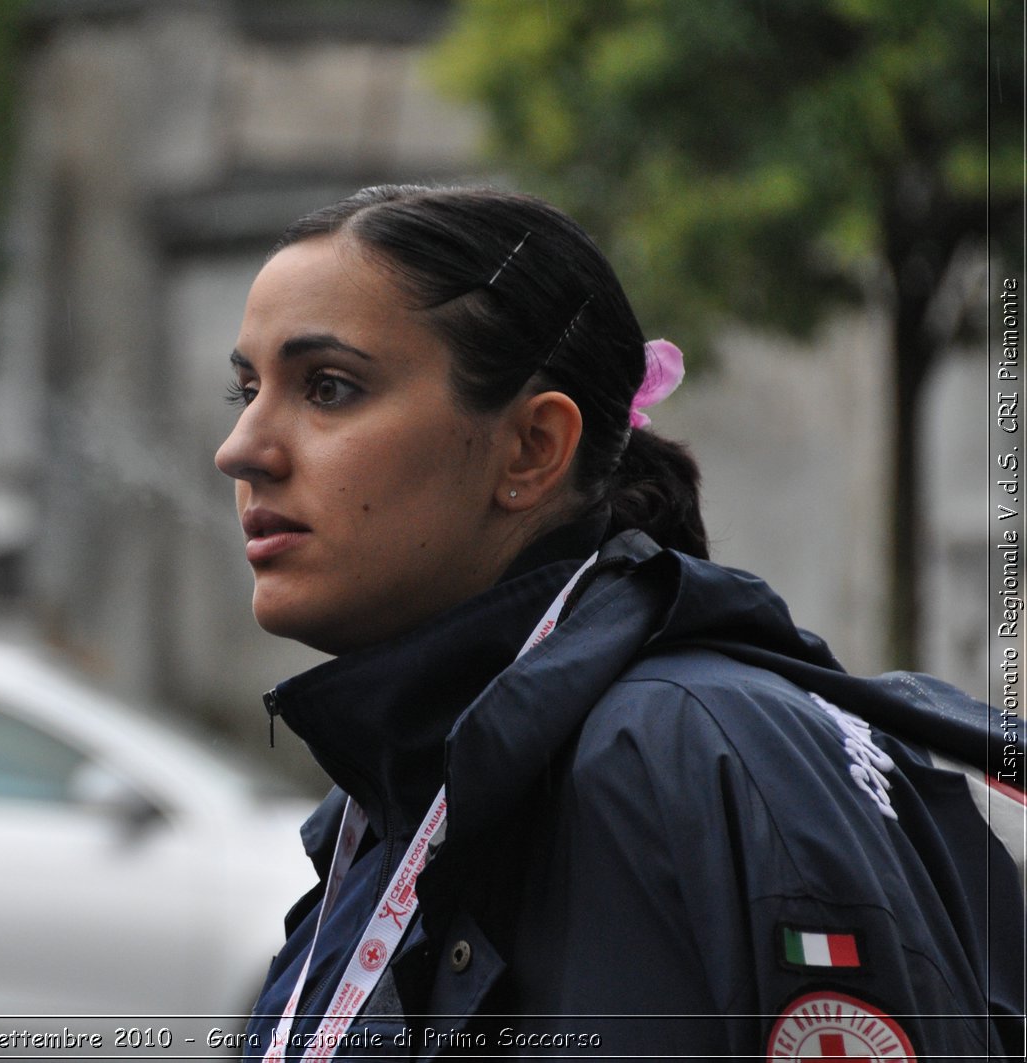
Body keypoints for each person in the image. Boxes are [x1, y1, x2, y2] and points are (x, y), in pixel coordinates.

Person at [213, 184, 1024, 1061]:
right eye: (248, 389)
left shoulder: (690, 751)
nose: (243, 448)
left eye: (328, 387)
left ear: (531, 448)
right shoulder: (396, 795)